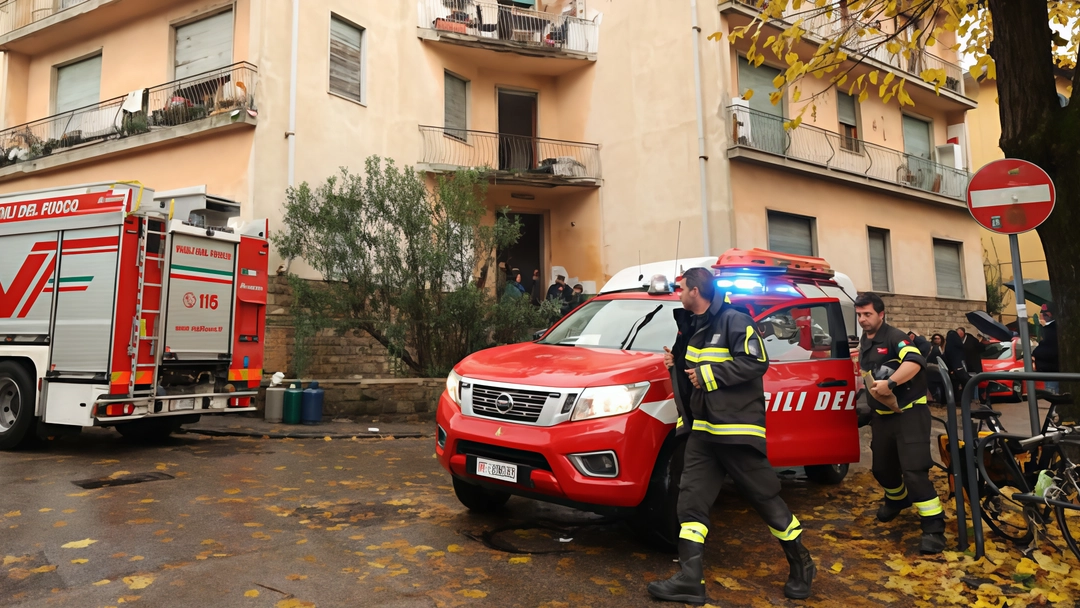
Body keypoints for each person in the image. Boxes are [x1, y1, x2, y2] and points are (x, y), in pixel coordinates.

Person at [649, 267, 814, 604]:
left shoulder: (735, 320)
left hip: (735, 431)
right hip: (703, 431)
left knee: (765, 499)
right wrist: (675, 363)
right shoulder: (693, 326)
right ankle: (690, 580)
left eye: (681, 287)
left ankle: (802, 564)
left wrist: (708, 374)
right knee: (690, 501)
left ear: (695, 291)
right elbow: (691, 377)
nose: (677, 292)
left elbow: (756, 361)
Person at [855, 292, 945, 555]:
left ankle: (933, 528)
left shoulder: (894, 337)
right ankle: (897, 500)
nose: (863, 319)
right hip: (882, 417)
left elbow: (916, 361)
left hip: (909, 415)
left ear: (881, 314)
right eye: (859, 315)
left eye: (867, 314)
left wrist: (891, 383)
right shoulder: (865, 340)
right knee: (882, 470)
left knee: (914, 472)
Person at [1033, 303, 1060, 393]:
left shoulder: (1050, 330)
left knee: (1053, 395)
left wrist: (1035, 353)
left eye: (1046, 314)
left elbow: (1049, 350)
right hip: (1052, 370)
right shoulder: (1050, 329)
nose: (1044, 317)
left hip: (1052, 371)